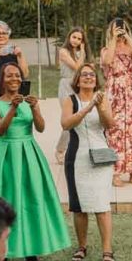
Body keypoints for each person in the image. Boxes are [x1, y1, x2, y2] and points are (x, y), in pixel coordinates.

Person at [0, 64, 70, 261]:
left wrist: (35, 108)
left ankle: (32, 248)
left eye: (18, 75)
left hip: (28, 153)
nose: (15, 78)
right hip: (5, 155)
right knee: (5, 199)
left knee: (31, 199)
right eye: (10, 75)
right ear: (2, 80)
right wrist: (12, 108)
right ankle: (3, 253)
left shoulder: (27, 102)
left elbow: (40, 127)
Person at [61, 63, 116, 261]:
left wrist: (100, 107)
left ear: (96, 79)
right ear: (77, 79)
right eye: (84, 75)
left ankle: (107, 250)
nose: (88, 78)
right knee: (79, 206)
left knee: (102, 204)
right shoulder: (70, 100)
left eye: (92, 75)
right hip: (77, 157)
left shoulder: (103, 99)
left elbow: (109, 124)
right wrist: (88, 107)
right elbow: (66, 124)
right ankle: (82, 246)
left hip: (101, 156)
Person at [100, 17, 132, 186]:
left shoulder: (129, 46)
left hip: (131, 91)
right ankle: (116, 172)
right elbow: (107, 61)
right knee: (115, 130)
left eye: (122, 28)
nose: (119, 30)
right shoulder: (107, 48)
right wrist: (114, 39)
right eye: (116, 28)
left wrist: (128, 38)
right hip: (114, 90)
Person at [54, 26, 87, 164]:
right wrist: (83, 51)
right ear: (69, 37)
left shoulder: (79, 52)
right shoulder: (63, 51)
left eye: (79, 39)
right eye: (74, 37)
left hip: (78, 85)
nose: (76, 40)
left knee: (79, 118)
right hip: (66, 85)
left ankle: (73, 149)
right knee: (69, 119)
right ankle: (60, 150)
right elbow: (77, 67)